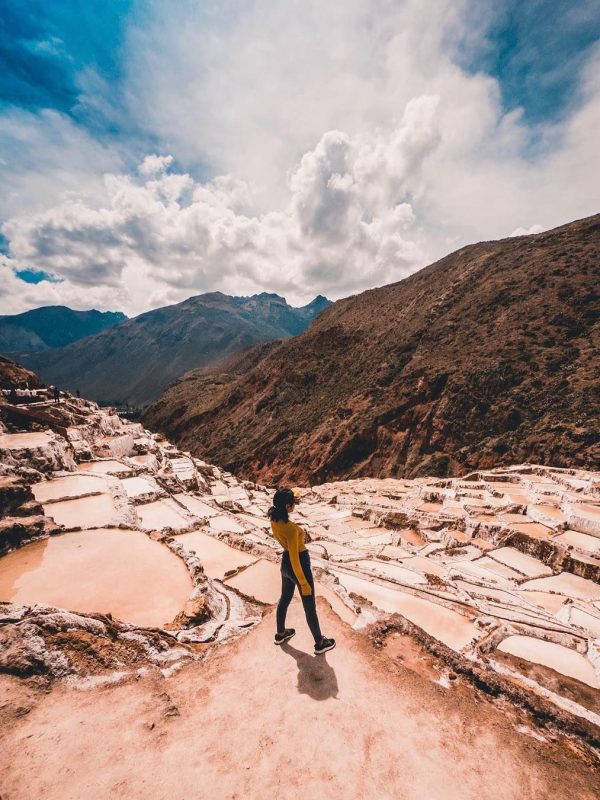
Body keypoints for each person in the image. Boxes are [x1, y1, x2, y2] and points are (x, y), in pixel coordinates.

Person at [268, 487, 336, 655]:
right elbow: (294, 557)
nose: (294, 506)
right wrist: (303, 582)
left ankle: (281, 633)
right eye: (292, 504)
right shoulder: (290, 528)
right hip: (298, 563)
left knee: (284, 598)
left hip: (284, 564)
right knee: (309, 606)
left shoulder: (274, 519)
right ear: (287, 506)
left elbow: (288, 554)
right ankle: (320, 643)